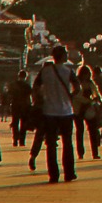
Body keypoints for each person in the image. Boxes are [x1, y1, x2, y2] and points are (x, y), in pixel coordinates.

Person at [30, 46, 78, 183]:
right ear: (63, 56)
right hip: (66, 111)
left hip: (49, 111)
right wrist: (70, 97)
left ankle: (53, 174)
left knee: (51, 144)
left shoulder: (44, 71)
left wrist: (40, 98)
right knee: (67, 143)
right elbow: (77, 87)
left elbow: (36, 86)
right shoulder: (68, 71)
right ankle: (69, 173)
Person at [8, 69, 32, 147]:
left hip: (15, 105)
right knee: (23, 124)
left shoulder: (13, 84)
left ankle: (15, 139)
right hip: (25, 106)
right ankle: (22, 140)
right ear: (26, 77)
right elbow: (29, 95)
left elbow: (9, 94)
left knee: (15, 123)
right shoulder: (27, 85)